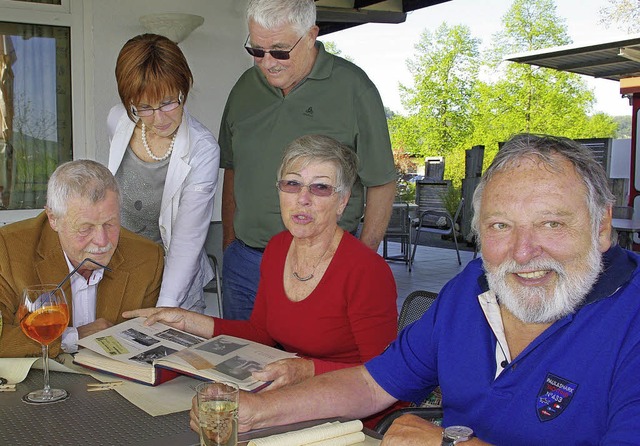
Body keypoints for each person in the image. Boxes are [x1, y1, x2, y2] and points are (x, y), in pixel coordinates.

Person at [188, 134, 640, 444]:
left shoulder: (631, 318)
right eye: (500, 226)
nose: (523, 252)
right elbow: (371, 385)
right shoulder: (471, 290)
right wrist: (257, 411)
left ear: (601, 228)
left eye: (551, 224)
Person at [124, 134, 397, 392]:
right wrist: (187, 320)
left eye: (321, 187)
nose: (303, 199)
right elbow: (261, 333)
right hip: (289, 391)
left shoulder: (366, 270)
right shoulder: (278, 249)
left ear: (343, 201)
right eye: (292, 184)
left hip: (352, 408)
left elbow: (386, 376)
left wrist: (307, 370)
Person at [220, 0, 397, 319]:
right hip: (246, 266)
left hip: (321, 265)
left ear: (312, 34)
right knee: (239, 364)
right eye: (257, 51)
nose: (267, 62)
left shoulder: (354, 88)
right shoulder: (244, 89)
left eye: (280, 51)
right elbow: (233, 170)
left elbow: (382, 182)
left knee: (309, 367)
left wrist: (360, 260)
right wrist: (229, 245)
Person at [0, 160, 164, 358]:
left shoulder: (147, 257)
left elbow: (151, 339)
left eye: (110, 224)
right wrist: (73, 338)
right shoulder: (7, 249)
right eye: (85, 228)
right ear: (53, 219)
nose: (102, 241)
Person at [107, 33, 220, 313]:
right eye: (144, 107)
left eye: (169, 102)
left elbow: (187, 238)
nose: (159, 118)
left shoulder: (202, 149)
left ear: (185, 88)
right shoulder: (118, 121)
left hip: (173, 281)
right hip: (122, 271)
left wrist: (166, 308)